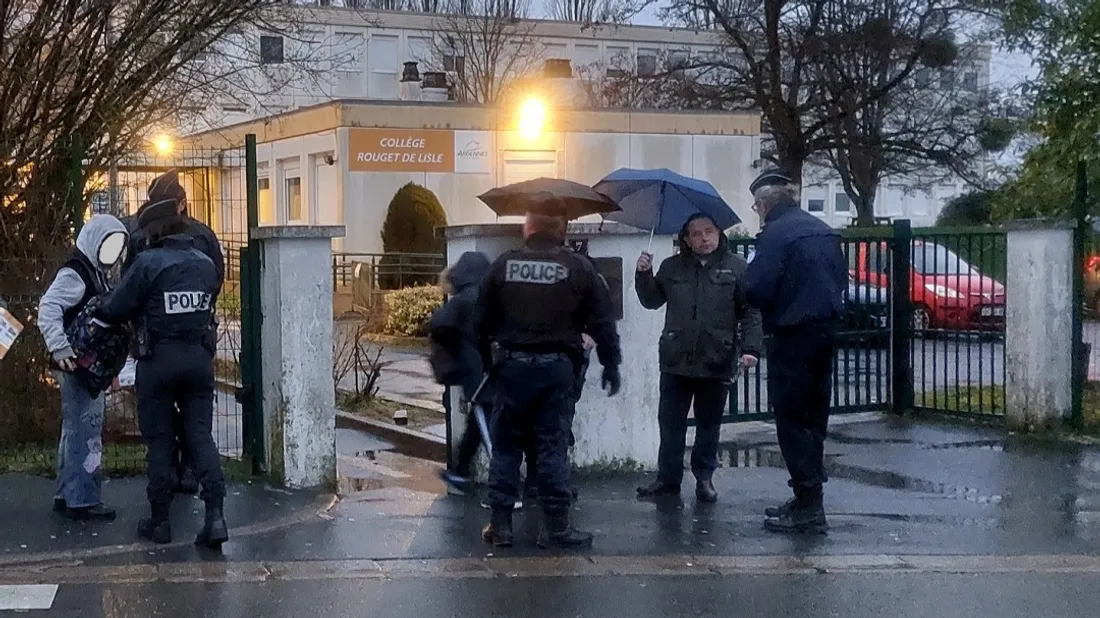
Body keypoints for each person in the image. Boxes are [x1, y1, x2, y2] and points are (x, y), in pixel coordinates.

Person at [475, 197, 622, 549]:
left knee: (506, 448)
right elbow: (602, 320)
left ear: (528, 227)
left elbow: (479, 322)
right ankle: (556, 528)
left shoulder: (504, 264)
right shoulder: (578, 267)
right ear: (563, 229)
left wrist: (489, 363)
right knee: (552, 447)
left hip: (512, 367)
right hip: (557, 369)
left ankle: (501, 525)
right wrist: (610, 363)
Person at [93, 199, 228, 548]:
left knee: (160, 440)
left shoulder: (147, 263)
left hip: (158, 362)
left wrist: (98, 310)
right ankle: (215, 517)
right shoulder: (204, 264)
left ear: (154, 230)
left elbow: (116, 307)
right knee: (200, 436)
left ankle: (160, 522)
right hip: (199, 360)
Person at [743, 168, 847, 534]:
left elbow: (757, 288)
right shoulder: (823, 230)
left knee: (792, 420)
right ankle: (807, 498)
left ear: (764, 204)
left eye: (757, 207)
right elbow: (840, 279)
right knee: (815, 418)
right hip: (825, 332)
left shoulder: (775, 234)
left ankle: (809, 505)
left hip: (791, 336)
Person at [634, 213, 764, 503]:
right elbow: (652, 300)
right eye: (696, 234)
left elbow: (751, 311)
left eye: (709, 231)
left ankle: (704, 478)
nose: (704, 238)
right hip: (676, 358)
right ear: (686, 239)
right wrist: (643, 275)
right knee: (671, 423)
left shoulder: (736, 267)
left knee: (709, 424)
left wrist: (751, 349)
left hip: (716, 357)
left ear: (719, 233)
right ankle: (667, 479)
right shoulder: (671, 267)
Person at [123, 170, 224, 497]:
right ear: (183, 204)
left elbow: (128, 289)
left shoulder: (142, 236)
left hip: (156, 347)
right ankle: (204, 494)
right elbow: (215, 282)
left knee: (159, 430)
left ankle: (160, 511)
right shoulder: (204, 237)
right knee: (198, 427)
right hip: (197, 344)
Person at [38, 215, 129, 521]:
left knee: (74, 430)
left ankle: (68, 494)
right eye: (109, 244)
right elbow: (48, 307)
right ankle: (83, 500)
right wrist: (60, 346)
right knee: (87, 431)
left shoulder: (91, 271)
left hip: (76, 364)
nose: (113, 253)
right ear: (95, 242)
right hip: (77, 366)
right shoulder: (77, 273)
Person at [430, 251, 498, 494]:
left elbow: (438, 323)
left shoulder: (463, 300)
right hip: (497, 372)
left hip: (477, 377)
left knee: (485, 427)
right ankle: (460, 472)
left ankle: (502, 484)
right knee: (479, 424)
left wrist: (455, 350)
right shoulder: (494, 295)